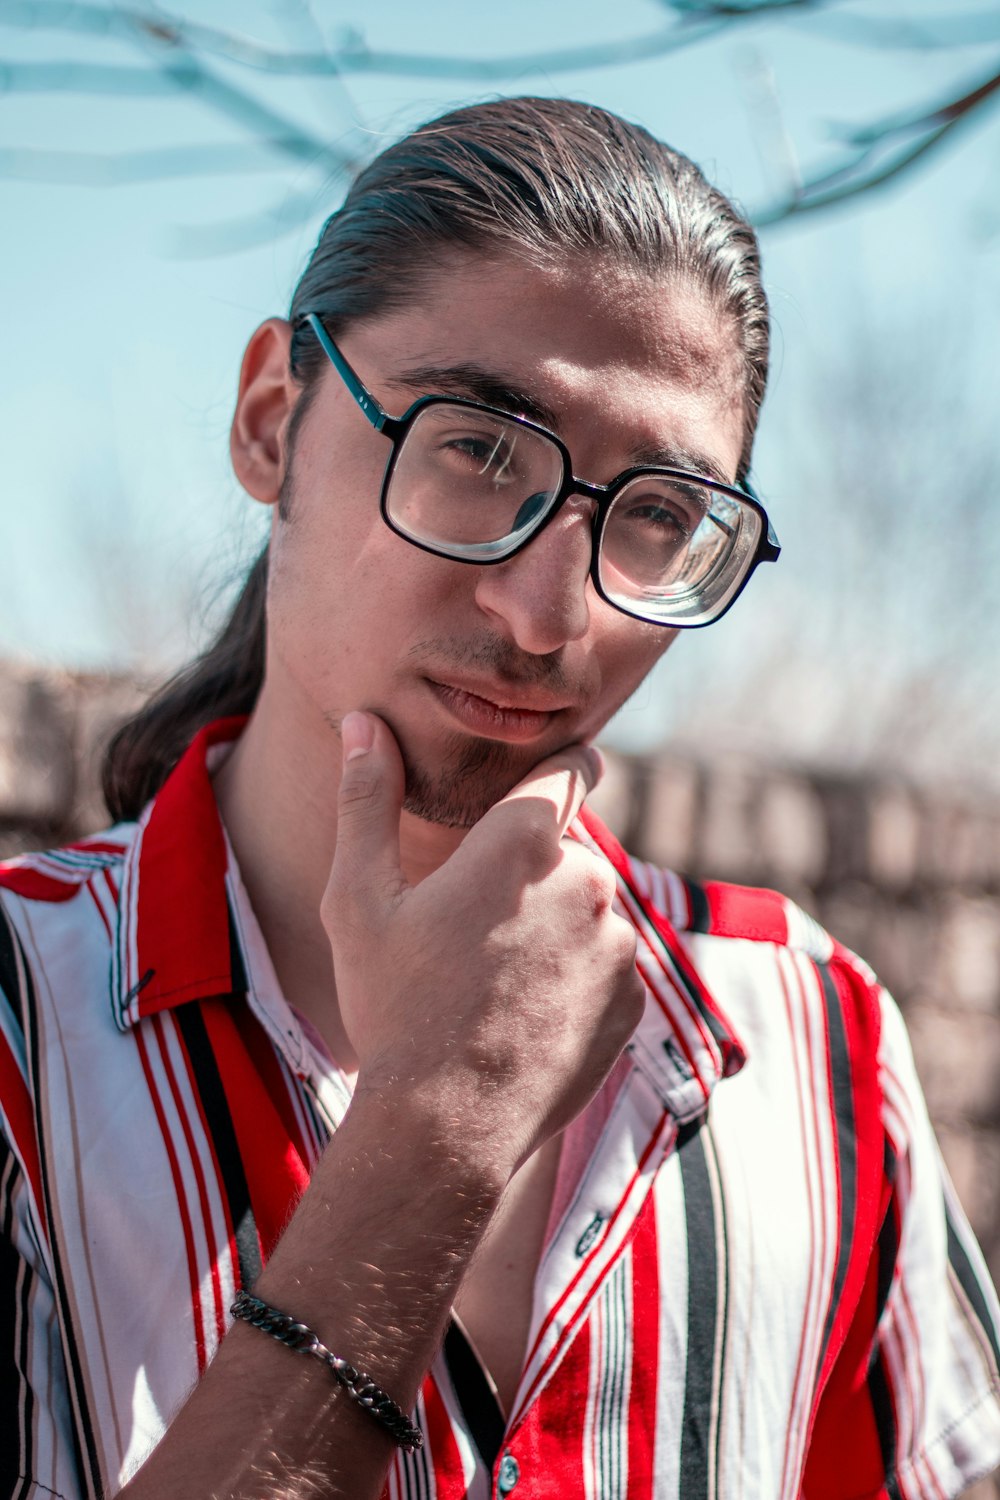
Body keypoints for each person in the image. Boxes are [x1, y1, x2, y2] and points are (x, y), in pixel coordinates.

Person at [1, 96, 998, 1500]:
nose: (549, 616)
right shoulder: (20, 1024)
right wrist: (435, 1138)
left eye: (656, 515)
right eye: (477, 449)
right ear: (273, 424)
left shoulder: (811, 1034)